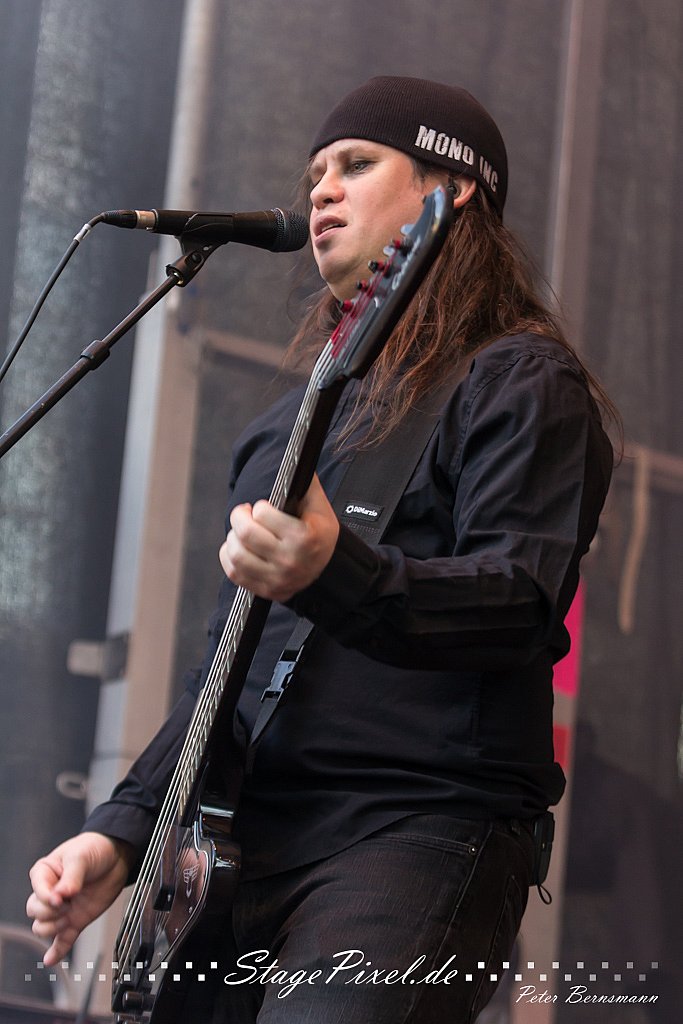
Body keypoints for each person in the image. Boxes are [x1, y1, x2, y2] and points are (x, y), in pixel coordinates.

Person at [26, 76, 615, 1023]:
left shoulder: (520, 380)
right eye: (313, 177)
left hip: (410, 833)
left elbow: (520, 601)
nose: (320, 192)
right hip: (239, 847)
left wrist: (337, 572)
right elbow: (227, 669)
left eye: (355, 164)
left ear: (453, 187)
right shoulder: (284, 431)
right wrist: (123, 831)